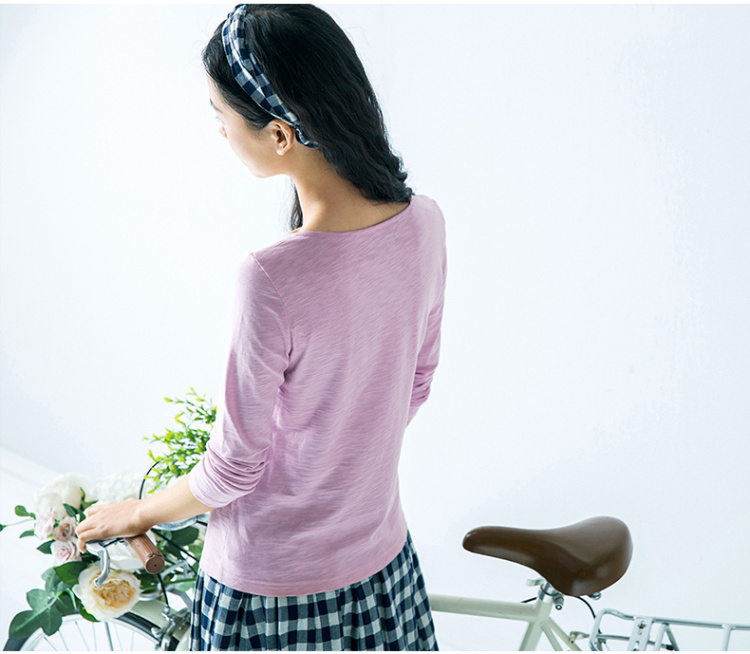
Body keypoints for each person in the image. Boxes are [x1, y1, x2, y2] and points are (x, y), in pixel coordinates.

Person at [77, 3, 446, 650]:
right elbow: (415, 384)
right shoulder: (425, 223)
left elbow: (230, 471)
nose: (220, 132)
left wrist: (134, 513)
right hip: (383, 566)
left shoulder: (272, 277)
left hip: (272, 590)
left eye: (220, 115)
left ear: (279, 135)